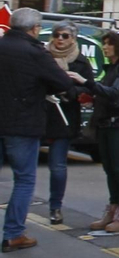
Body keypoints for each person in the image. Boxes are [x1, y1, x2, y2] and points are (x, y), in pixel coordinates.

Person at [1, 8, 85, 253]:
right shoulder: (36, 52)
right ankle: (13, 234)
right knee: (24, 179)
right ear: (35, 29)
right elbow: (61, 82)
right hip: (22, 123)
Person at [79, 31, 119, 235]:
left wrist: (86, 82)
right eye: (104, 43)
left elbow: (115, 92)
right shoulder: (114, 68)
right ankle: (114, 207)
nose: (105, 47)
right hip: (106, 122)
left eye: (109, 44)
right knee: (109, 166)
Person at [42, 21, 95, 225]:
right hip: (38, 115)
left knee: (57, 166)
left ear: (73, 38)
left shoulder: (81, 62)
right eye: (56, 35)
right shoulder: (43, 57)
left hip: (63, 118)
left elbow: (89, 89)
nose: (60, 39)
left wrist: (70, 92)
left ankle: (55, 207)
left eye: (65, 36)